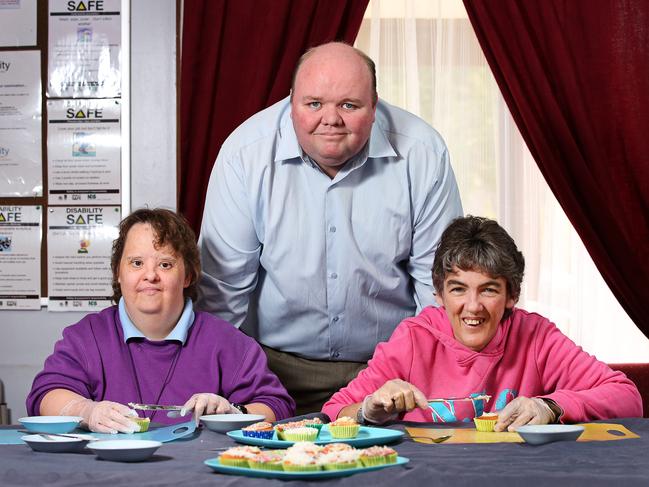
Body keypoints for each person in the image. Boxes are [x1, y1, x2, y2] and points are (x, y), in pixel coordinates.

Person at [198, 42, 463, 414]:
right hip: (272, 372)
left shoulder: (423, 154)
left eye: (349, 105)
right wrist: (219, 385)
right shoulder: (245, 155)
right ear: (291, 103)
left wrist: (420, 377)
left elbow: (437, 290)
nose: (331, 119)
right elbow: (221, 295)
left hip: (391, 369)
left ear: (374, 107)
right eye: (314, 104)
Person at [322, 216, 642, 430]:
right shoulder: (412, 339)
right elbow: (334, 413)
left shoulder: (536, 336)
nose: (472, 307)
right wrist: (368, 410)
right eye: (458, 289)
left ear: (511, 296)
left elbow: (627, 396)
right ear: (439, 294)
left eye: (488, 290)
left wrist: (552, 406)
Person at [27, 208, 294, 434]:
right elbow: (45, 396)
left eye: (165, 264)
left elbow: (277, 406)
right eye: (136, 263)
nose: (150, 275)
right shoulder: (87, 336)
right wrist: (87, 411)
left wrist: (235, 412)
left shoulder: (229, 343)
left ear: (188, 275)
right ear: (118, 272)